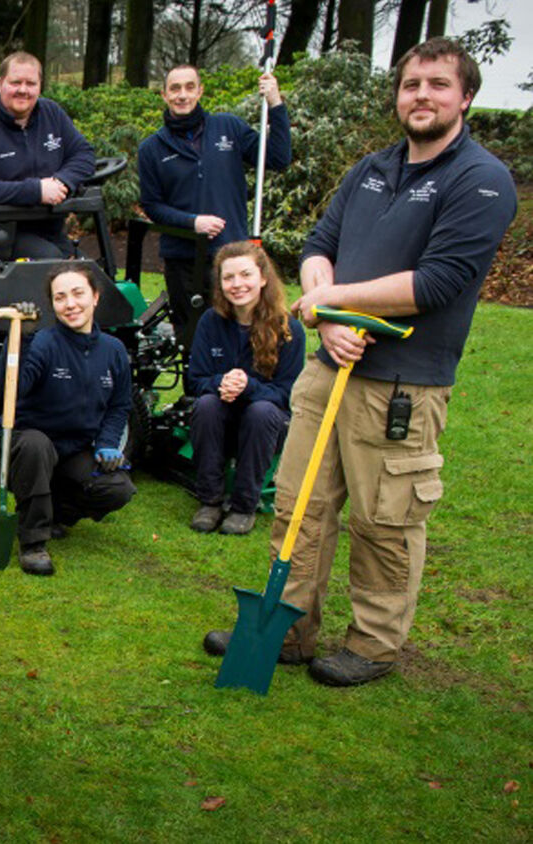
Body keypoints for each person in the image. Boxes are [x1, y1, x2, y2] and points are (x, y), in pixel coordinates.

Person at [203, 38, 516, 686]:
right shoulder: (371, 169)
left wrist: (328, 302)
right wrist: (335, 317)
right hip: (328, 371)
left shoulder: (480, 181)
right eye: (410, 84)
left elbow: (436, 282)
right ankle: (287, 630)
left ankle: (372, 644)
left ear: (465, 97)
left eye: (437, 84)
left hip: (403, 384)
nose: (421, 95)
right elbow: (321, 245)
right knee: (297, 507)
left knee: (385, 520)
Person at [0, 263, 135, 576]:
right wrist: (22, 340)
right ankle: (33, 542)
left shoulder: (114, 351)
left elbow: (120, 405)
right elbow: (2, 391)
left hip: (71, 450)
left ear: (95, 297)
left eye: (78, 294)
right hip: (22, 446)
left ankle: (56, 513)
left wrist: (109, 442)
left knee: (117, 488)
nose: (70, 304)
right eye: (60, 297)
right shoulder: (41, 342)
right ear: (52, 304)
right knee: (37, 446)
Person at [138, 65, 292, 356]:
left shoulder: (228, 128)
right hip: (184, 263)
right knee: (194, 342)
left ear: (200, 91)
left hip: (232, 257)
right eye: (175, 89)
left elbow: (278, 158)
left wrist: (275, 104)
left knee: (241, 336)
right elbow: (152, 206)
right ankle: (198, 399)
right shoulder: (152, 149)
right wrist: (192, 222)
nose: (182, 95)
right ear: (164, 95)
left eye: (188, 87)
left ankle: (245, 395)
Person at [184, 241, 304, 536]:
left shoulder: (288, 328)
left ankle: (243, 506)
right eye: (228, 278)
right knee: (206, 405)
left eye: (245, 275)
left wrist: (248, 387)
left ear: (263, 278)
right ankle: (209, 500)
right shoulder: (211, 321)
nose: (237, 284)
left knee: (261, 411)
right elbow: (194, 381)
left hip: (266, 426)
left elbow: (288, 394)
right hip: (221, 421)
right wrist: (219, 383)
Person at [0, 51, 96, 259]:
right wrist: (37, 191)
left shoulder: (52, 114)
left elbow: (84, 154)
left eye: (31, 83)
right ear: (0, 84)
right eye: (15, 82)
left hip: (47, 230)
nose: (23, 90)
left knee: (94, 277)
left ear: (40, 86)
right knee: (51, 266)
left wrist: (63, 181)